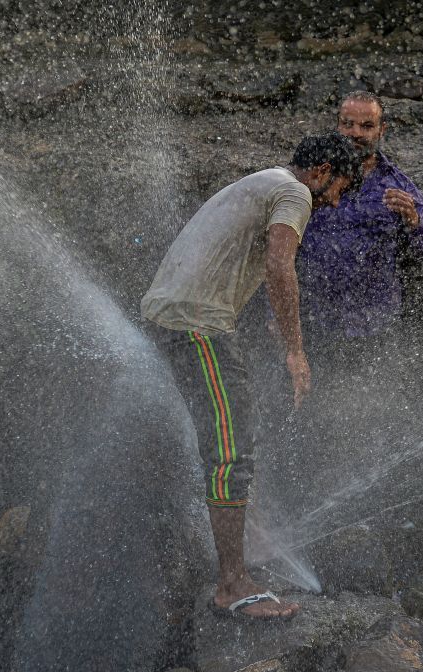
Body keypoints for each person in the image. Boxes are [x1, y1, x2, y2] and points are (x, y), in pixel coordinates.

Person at [140, 132, 360, 620]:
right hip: (197, 326)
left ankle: (234, 549)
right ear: (322, 171)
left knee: (227, 434)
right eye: (338, 190)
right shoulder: (296, 192)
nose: (333, 202)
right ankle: (232, 585)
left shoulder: (266, 181)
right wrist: (296, 352)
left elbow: (243, 256)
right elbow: (281, 267)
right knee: (230, 452)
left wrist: (272, 319)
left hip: (176, 319)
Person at [297, 91, 423, 342]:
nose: (355, 133)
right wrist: (275, 314)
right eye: (348, 124)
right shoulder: (311, 177)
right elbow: (278, 250)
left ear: (381, 130)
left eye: (366, 126)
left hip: (373, 328)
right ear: (337, 125)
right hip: (310, 321)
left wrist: (414, 222)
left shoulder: (398, 187)